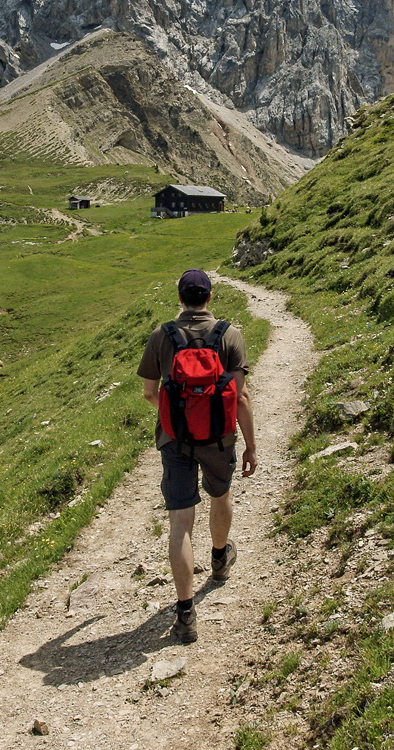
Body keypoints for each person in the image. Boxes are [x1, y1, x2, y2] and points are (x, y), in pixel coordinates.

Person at [138, 269, 257, 644]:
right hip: (220, 439)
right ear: (209, 296)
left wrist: (176, 419)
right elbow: (240, 396)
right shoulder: (229, 335)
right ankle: (220, 558)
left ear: (180, 297)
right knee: (220, 495)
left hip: (174, 441)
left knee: (180, 522)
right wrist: (251, 445)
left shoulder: (162, 336)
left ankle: (186, 613)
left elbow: (148, 392)